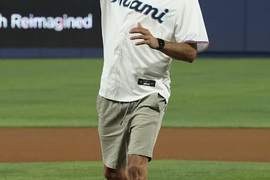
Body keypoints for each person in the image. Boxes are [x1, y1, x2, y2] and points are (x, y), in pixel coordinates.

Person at [97, 0, 209, 179]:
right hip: (111, 90)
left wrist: (160, 43)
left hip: (149, 91)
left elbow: (190, 52)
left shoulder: (184, 2)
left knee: (136, 168)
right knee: (112, 172)